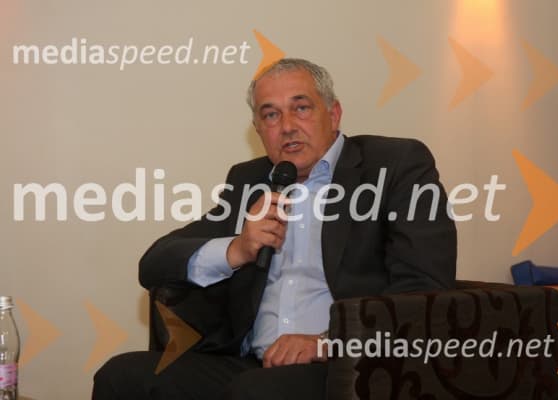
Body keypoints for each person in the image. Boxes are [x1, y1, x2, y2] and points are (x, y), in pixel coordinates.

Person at [93, 58, 457, 400]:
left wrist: (327, 342)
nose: (286, 126)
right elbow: (155, 264)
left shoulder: (393, 166)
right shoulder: (250, 181)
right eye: (270, 114)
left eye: (301, 108)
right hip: (249, 363)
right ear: (258, 130)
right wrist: (237, 249)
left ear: (333, 114)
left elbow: (424, 289)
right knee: (122, 375)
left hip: (349, 365)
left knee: (255, 392)